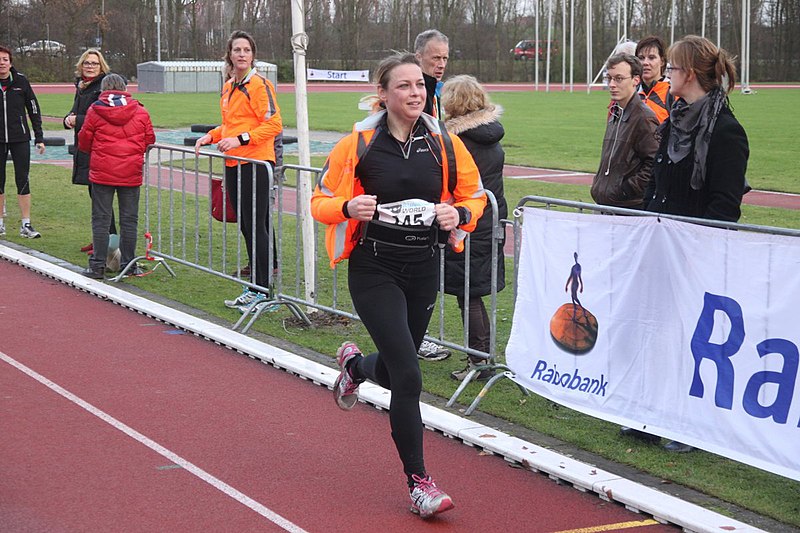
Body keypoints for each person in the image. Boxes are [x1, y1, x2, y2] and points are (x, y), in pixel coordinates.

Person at [311, 53, 485, 518]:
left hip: (424, 267)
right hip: (374, 270)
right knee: (409, 375)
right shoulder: (360, 144)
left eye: (421, 86)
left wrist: (461, 214)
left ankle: (356, 367)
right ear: (383, 93)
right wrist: (348, 209)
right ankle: (420, 484)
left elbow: (475, 195)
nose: (415, 93)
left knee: (394, 367)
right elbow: (320, 200)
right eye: (404, 85)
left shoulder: (445, 143)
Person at [644, 36, 749, 453]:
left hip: (698, 254)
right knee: (659, 334)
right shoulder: (674, 119)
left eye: (672, 68)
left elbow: (726, 204)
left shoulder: (726, 130)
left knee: (693, 339)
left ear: (688, 73)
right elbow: (658, 182)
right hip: (661, 248)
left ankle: (691, 424)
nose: (666, 74)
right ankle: (652, 415)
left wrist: (690, 240)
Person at [195, 30, 283, 313]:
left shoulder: (259, 85)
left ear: (252, 54)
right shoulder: (229, 85)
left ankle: (262, 289)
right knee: (247, 225)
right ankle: (259, 285)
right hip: (234, 163)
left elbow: (273, 125)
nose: (242, 54)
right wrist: (211, 135)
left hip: (256, 163)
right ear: (230, 55)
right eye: (237, 50)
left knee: (255, 225)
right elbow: (230, 126)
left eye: (246, 49)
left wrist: (241, 140)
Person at [439, 74, 507, 381]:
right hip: (487, 219)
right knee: (471, 291)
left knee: (469, 293)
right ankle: (480, 357)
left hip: (469, 222)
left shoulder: (460, 141)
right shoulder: (489, 135)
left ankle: (478, 360)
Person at [78, 74, 155, 279]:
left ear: (103, 89)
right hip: (130, 172)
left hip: (102, 172)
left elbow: (84, 142)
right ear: (125, 88)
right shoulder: (140, 110)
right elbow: (149, 139)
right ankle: (128, 264)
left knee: (101, 220)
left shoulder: (95, 110)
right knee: (129, 220)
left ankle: (97, 266)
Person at [591, 53, 659, 210]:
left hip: (628, 210)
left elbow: (654, 164)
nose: (612, 84)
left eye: (619, 79)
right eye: (610, 78)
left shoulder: (643, 117)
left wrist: (624, 190)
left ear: (636, 80)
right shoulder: (615, 113)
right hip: (608, 206)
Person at [64, 48, 116, 254]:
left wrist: (80, 120)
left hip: (100, 148)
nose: (90, 66)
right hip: (85, 146)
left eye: (94, 63)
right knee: (94, 196)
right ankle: (100, 239)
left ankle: (108, 244)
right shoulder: (81, 87)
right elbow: (76, 110)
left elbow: (106, 115)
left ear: (101, 65)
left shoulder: (105, 85)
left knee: (101, 199)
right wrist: (68, 118)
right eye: (87, 63)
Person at [0, 45, 45, 239]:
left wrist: (39, 137)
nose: (1, 63)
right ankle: (0, 222)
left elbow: (33, 109)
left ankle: (26, 224)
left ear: (10, 62)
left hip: (20, 138)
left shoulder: (21, 82)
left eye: (5, 59)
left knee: (23, 179)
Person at [635, 36, 675, 124]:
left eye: (651, 57)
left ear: (662, 61)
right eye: (641, 58)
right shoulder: (631, 92)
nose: (645, 63)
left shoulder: (673, 93)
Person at [414, 29, 449, 119]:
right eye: (436, 58)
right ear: (419, 58)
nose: (442, 65)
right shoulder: (414, 94)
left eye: (444, 59)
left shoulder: (434, 88)